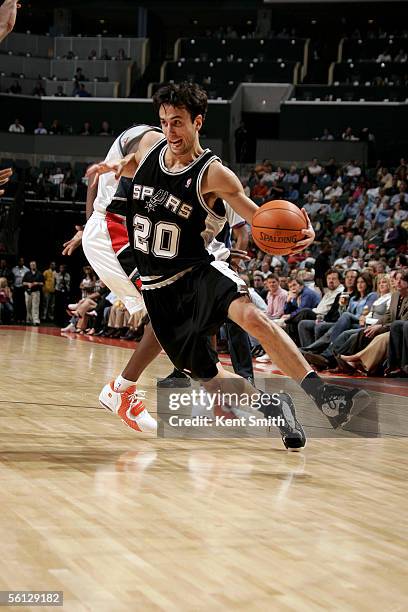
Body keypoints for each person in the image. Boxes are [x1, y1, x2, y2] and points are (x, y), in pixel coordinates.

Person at [88, 82, 371, 442]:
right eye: (164, 122)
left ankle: (325, 396)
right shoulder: (150, 147)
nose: (170, 131)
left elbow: (259, 219)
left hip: (197, 272)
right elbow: (132, 163)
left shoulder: (213, 174)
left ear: (198, 122)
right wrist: (115, 166)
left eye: (178, 122)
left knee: (255, 317)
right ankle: (275, 408)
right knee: (215, 381)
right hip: (161, 291)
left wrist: (299, 232)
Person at [22, 260, 44, 326]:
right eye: (31, 265)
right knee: (28, 306)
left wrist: (37, 283)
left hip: (36, 292)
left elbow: (43, 283)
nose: (33, 266)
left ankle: (36, 320)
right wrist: (28, 283)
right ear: (30, 266)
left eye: (34, 265)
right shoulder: (27, 273)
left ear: (36, 265)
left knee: (35, 306)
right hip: (28, 292)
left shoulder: (39, 273)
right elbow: (23, 282)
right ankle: (28, 319)